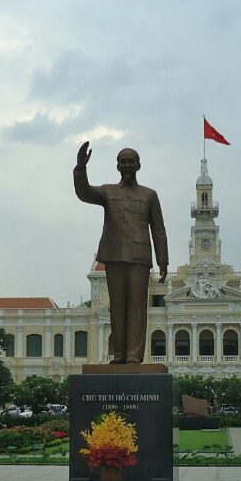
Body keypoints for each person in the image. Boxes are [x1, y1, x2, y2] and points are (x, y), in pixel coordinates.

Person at [74, 143, 168, 363]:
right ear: (117, 166)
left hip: (139, 256)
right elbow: (84, 193)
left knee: (137, 305)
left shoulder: (149, 195)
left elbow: (159, 230)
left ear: (138, 165)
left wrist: (163, 261)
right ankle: (119, 355)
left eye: (130, 161)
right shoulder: (108, 192)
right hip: (114, 253)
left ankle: (134, 356)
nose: (127, 165)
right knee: (117, 306)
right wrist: (80, 168)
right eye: (123, 161)